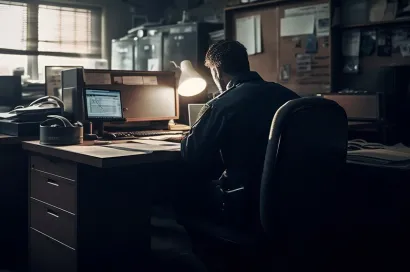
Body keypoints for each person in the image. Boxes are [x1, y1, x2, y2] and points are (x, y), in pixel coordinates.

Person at [178, 40, 300, 229]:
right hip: (294, 199)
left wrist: (187, 136)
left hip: (244, 202)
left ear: (216, 71)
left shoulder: (221, 105)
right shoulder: (290, 98)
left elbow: (192, 155)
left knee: (181, 194)